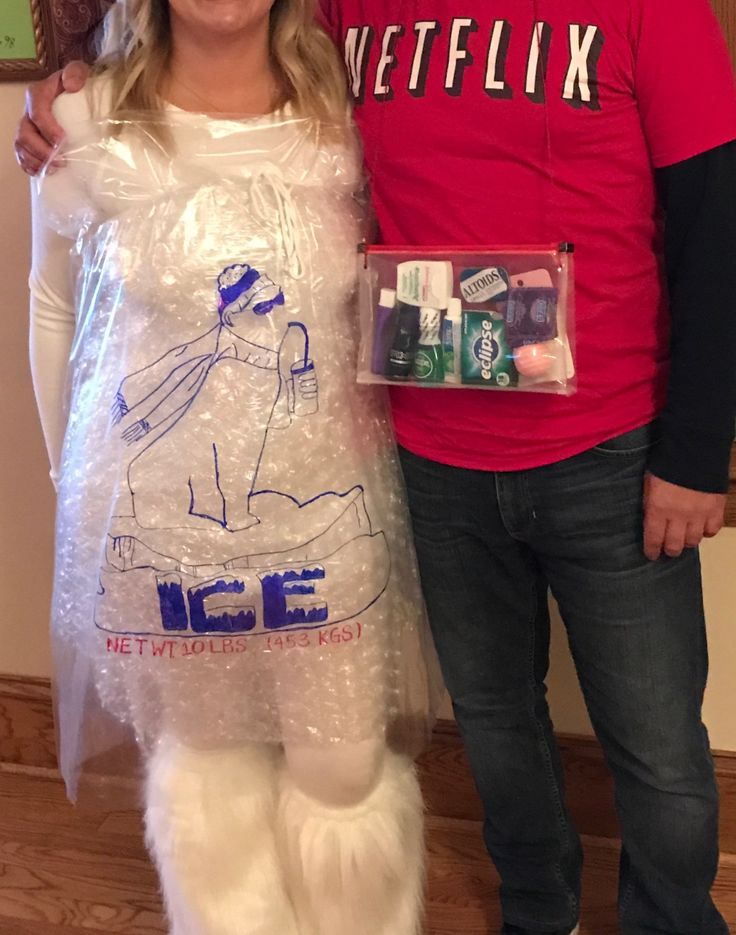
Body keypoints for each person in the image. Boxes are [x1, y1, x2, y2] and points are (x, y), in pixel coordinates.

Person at [15, 1, 736, 934]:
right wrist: (72, 76)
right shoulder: (357, 17)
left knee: (659, 746)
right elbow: (206, 43)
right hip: (430, 455)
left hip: (606, 446)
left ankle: (673, 921)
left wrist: (694, 453)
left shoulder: (652, 10)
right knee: (496, 725)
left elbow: (717, 229)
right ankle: (536, 911)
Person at [20, 1, 442, 934]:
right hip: (167, 536)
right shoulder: (87, 128)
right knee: (212, 762)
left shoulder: (345, 119)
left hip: (328, 517)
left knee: (343, 769)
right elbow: (55, 310)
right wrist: (73, 486)